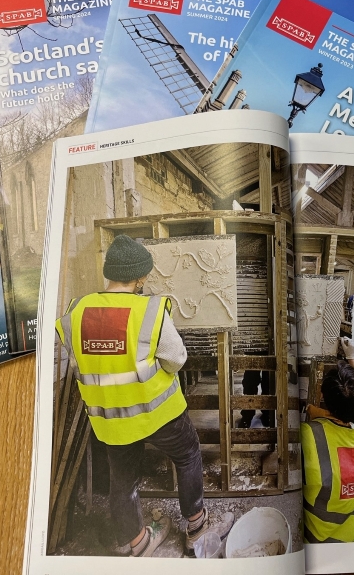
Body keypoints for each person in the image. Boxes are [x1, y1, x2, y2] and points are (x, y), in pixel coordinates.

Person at [55, 235, 233, 557]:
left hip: (111, 421)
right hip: (158, 414)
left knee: (123, 480)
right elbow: (176, 359)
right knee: (189, 454)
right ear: (139, 277)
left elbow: (74, 358)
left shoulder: (76, 312)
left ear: (110, 274)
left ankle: (137, 542)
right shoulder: (147, 311)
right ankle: (196, 526)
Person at [301, 337, 354, 543]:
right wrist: (352, 357)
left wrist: (311, 411)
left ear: (324, 398)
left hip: (321, 542)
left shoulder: (309, 436)